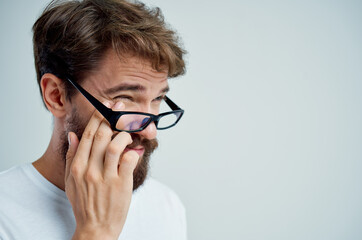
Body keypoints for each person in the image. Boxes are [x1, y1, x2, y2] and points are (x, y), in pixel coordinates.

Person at [0, 0, 187, 239]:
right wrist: (95, 232)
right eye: (126, 98)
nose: (150, 131)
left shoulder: (167, 206)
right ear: (56, 96)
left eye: (158, 98)